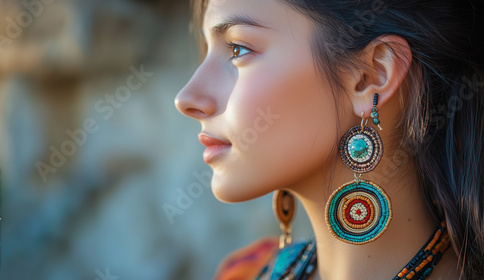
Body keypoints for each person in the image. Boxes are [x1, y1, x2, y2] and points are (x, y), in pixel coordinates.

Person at [175, 0, 484, 279]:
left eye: (237, 49)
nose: (186, 98)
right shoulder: (243, 272)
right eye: (206, 50)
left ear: (370, 76)